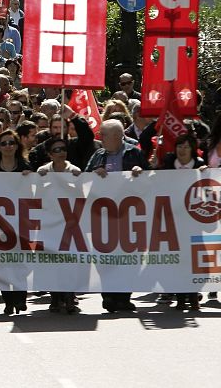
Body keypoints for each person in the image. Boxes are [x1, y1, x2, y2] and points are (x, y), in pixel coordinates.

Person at [85, 119, 147, 313]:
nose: (100, 138)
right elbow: (85, 176)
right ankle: (109, 295)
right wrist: (95, 172)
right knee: (105, 255)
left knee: (129, 256)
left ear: (117, 136)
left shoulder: (134, 153)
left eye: (103, 135)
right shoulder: (98, 155)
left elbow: (153, 177)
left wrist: (140, 172)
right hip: (104, 214)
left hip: (129, 214)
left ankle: (124, 297)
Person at [160, 132, 206, 311]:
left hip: (195, 221)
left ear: (192, 149)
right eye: (179, 146)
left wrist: (205, 173)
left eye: (186, 146)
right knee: (178, 260)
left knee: (193, 261)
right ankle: (180, 298)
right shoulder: (169, 164)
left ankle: (193, 297)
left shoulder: (201, 165)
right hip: (174, 219)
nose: (182, 150)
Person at [0, 130, 32, 315]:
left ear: (17, 146)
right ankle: (8, 300)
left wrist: (31, 177)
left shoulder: (25, 167)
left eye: (11, 143)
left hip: (22, 223)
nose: (8, 147)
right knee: (3, 263)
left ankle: (20, 298)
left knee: (20, 262)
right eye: (4, 143)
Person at [37, 137, 81, 314]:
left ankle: (70, 297)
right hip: (49, 223)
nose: (61, 152)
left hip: (70, 223)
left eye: (63, 149)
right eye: (56, 150)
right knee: (52, 262)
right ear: (49, 154)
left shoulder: (75, 171)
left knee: (69, 263)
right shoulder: (42, 172)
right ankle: (55, 298)